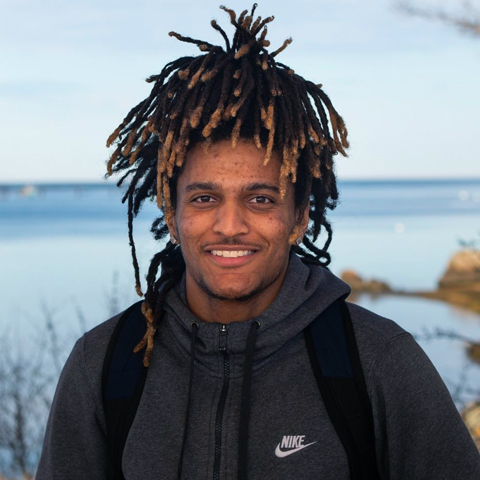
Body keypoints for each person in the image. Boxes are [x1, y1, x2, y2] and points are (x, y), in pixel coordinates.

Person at [37, 5, 480, 480]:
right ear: (171, 213)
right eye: (205, 198)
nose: (230, 225)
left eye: (261, 199)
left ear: (299, 217)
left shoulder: (375, 360)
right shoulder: (106, 364)